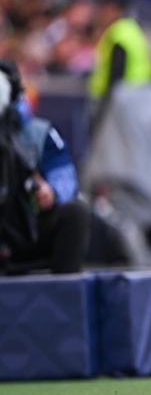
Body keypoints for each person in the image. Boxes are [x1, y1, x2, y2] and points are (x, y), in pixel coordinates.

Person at [0, 61, 90, 275]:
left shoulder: (39, 134)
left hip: (26, 228)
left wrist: (52, 191)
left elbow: (64, 174)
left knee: (76, 213)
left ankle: (64, 296)